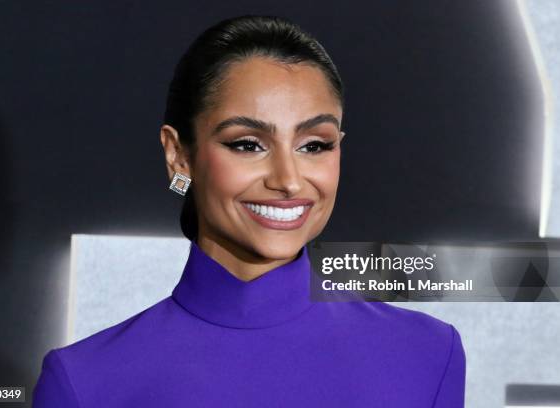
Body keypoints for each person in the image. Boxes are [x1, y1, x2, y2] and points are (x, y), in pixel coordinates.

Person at [33, 15, 465, 407]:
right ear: (179, 154)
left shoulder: (426, 354)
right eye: (247, 144)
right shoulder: (85, 383)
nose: (289, 180)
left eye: (314, 145)